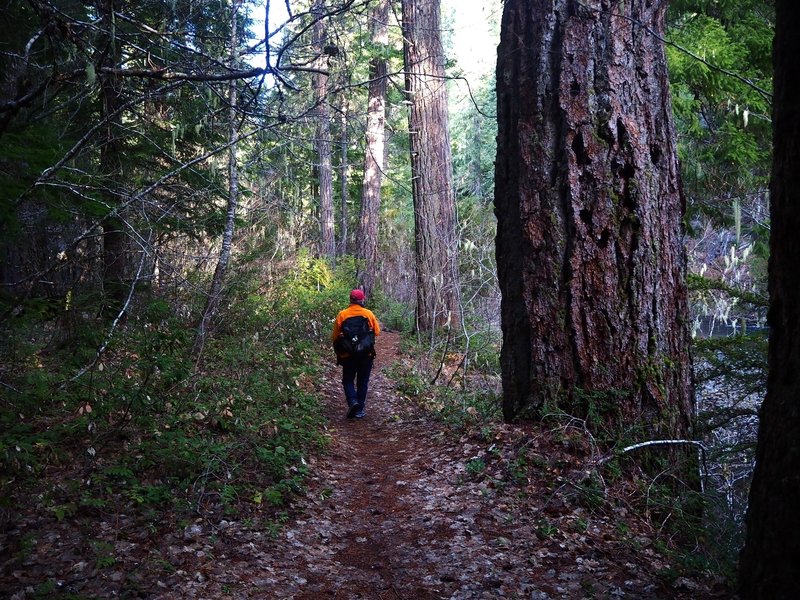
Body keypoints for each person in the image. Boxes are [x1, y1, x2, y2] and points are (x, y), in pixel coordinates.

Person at [332, 289, 381, 419]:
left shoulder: (342, 315)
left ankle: (352, 401)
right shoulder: (368, 314)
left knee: (347, 380)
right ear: (362, 300)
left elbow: (335, 336)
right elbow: (376, 332)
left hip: (348, 355)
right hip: (366, 354)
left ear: (350, 300)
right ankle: (359, 410)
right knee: (363, 382)